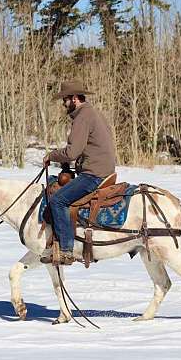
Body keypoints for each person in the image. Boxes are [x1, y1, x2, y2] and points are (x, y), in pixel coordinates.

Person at [41, 80, 116, 264]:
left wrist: (51, 155)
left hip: (94, 174)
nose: (63, 103)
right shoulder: (92, 113)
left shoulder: (82, 117)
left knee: (58, 200)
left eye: (65, 99)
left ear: (74, 98)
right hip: (102, 168)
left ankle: (66, 249)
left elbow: (73, 151)